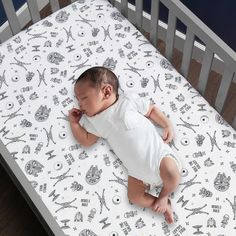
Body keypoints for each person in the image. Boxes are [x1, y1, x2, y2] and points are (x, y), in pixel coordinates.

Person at [68, 66, 181, 224]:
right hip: (136, 172)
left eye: (83, 98)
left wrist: (167, 124)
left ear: (107, 92)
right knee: (134, 197)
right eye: (78, 100)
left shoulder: (127, 101)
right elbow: (86, 140)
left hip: (158, 157)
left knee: (172, 172)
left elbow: (151, 110)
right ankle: (162, 204)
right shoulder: (95, 121)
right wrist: (74, 124)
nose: (80, 104)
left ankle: (164, 196)